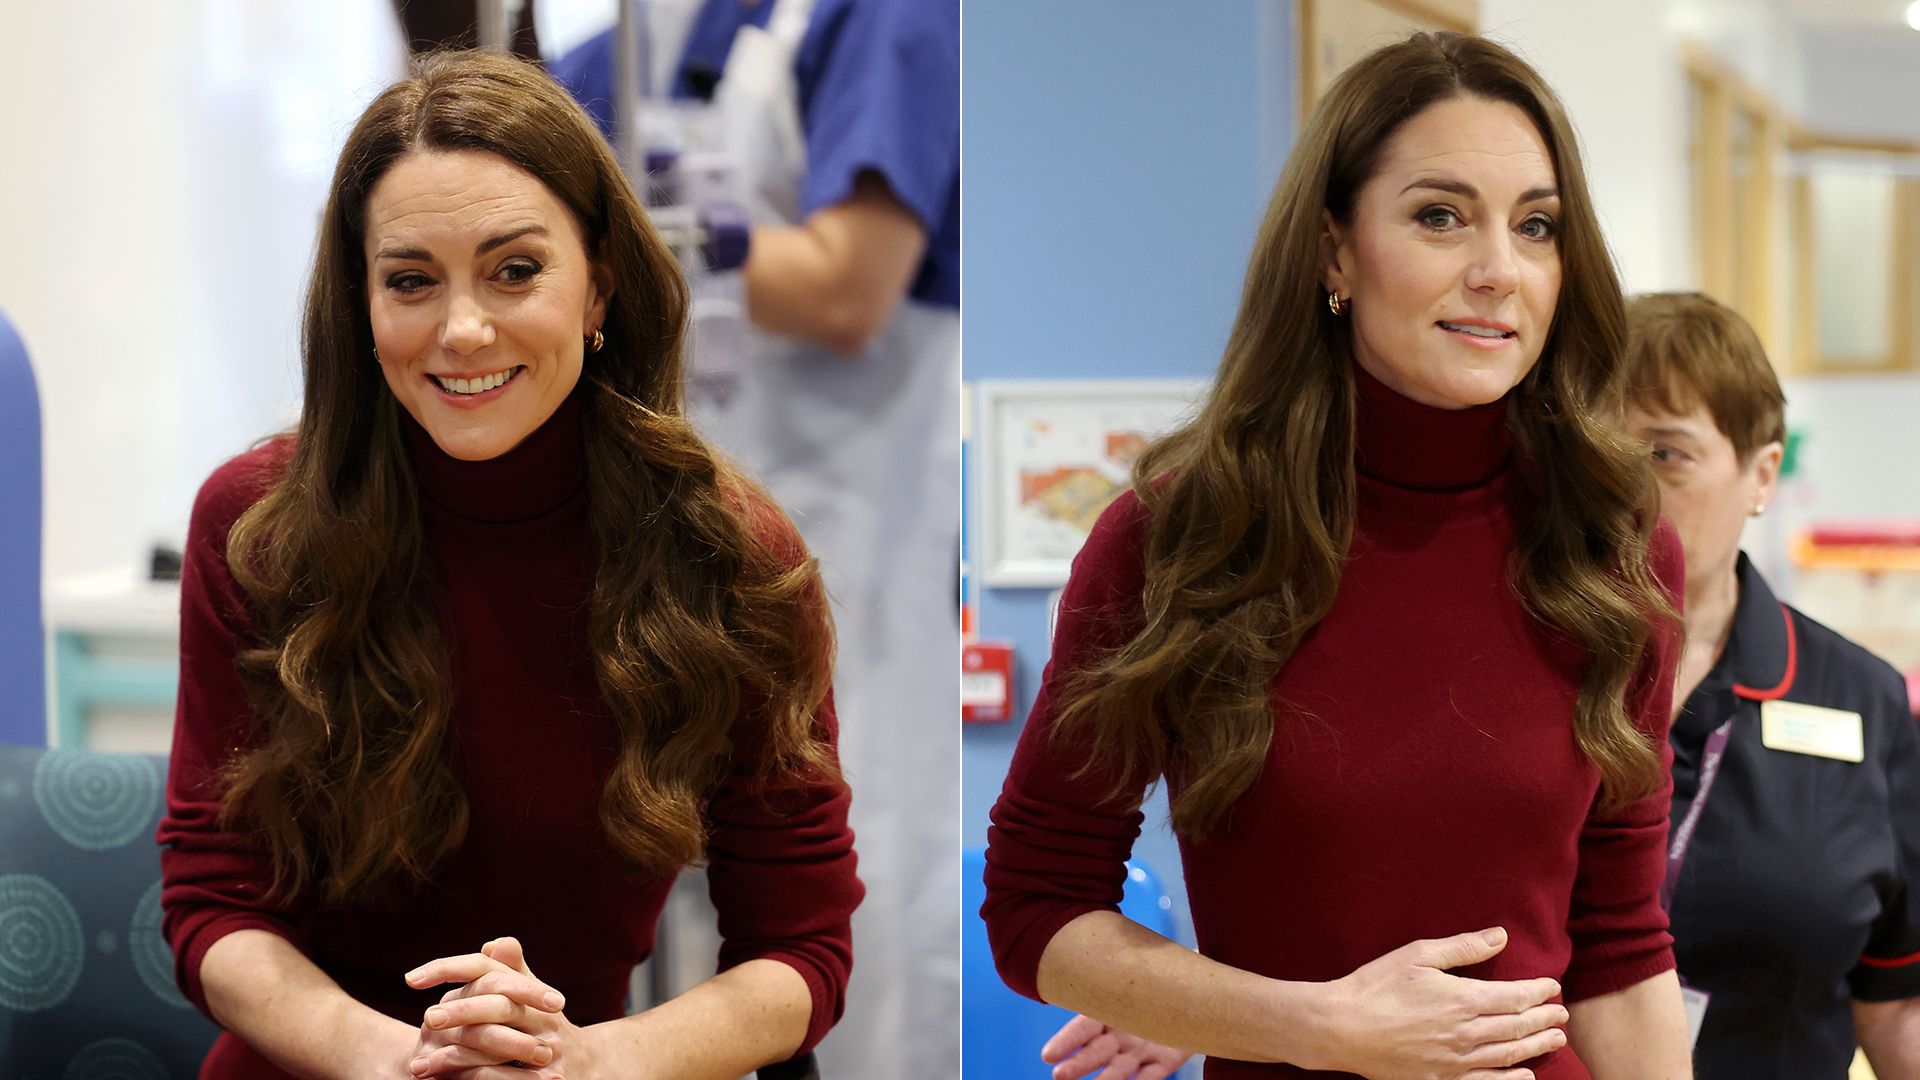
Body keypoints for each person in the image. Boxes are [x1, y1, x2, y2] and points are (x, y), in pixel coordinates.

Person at [982, 32, 1693, 1080]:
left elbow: (1622, 952)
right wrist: (1314, 1026)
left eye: (1537, 227)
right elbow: (1036, 906)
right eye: (1439, 216)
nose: (1498, 271)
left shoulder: (1618, 552)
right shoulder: (1178, 538)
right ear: (1334, 251)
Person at [156, 50, 862, 1079]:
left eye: (515, 269)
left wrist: (593, 1064)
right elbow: (214, 903)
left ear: (599, 289)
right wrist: (401, 1062)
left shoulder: (732, 558)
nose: (464, 329)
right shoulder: (254, 529)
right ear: (361, 305)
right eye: (410, 281)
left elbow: (803, 949)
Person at [549, 2, 960, 1074]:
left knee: (837, 903)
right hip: (645, 552)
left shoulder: (883, 21)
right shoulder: (607, 59)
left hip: (845, 554)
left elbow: (848, 284)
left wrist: (654, 240)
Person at [1620, 292, 1920, 1078]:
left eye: (1664, 453)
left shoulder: (1862, 700)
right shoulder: (1518, 675)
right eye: (1595, 452)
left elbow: (1894, 1006)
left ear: (1762, 473)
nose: (1623, 489)